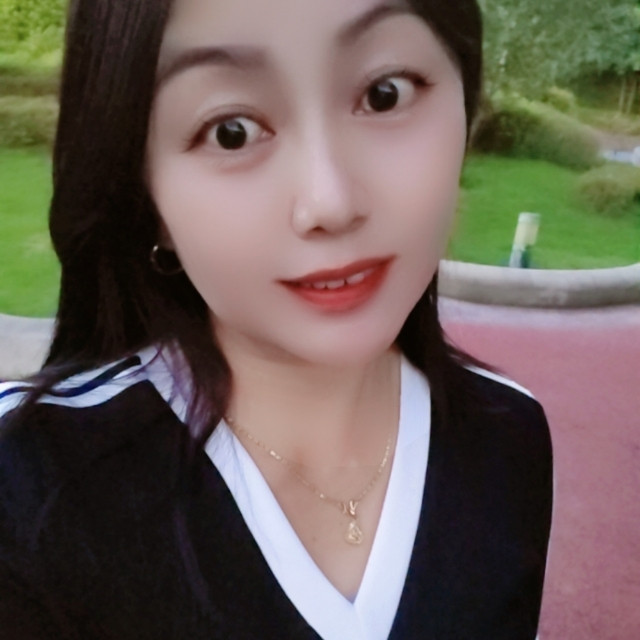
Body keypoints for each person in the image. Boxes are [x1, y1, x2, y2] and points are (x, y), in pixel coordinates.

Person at [0, 0, 552, 638]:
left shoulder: (508, 437)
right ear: (142, 191)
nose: (330, 203)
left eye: (384, 93)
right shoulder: (29, 487)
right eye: (230, 131)